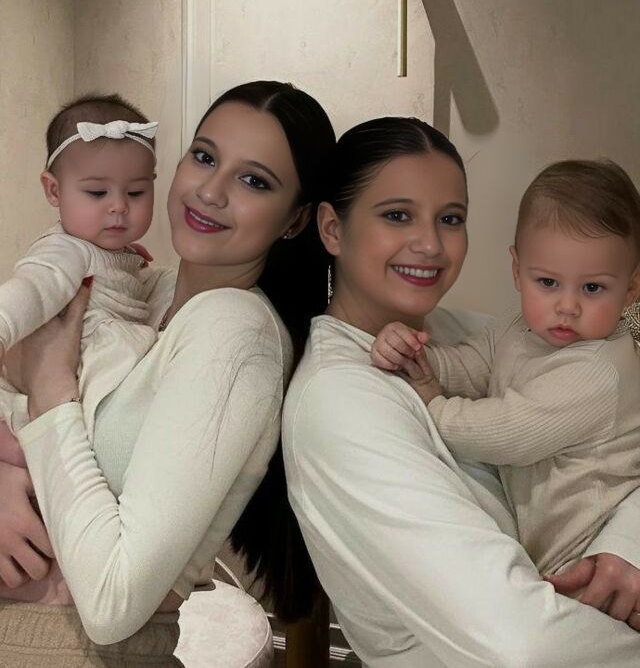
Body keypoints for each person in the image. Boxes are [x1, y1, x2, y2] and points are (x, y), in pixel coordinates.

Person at [283, 117, 640, 668]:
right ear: (332, 229)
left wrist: (627, 545)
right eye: (397, 215)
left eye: (450, 219)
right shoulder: (338, 402)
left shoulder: (473, 330)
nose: (430, 244)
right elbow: (523, 645)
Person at [0, 81, 334, 666]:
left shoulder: (234, 330)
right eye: (204, 157)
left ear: (295, 219)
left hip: (62, 646)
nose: (210, 191)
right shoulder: (143, 293)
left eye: (254, 181)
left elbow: (112, 604)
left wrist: (51, 388)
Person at [371, 159, 640, 577]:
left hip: (590, 553)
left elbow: (506, 432)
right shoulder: (518, 329)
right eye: (547, 283)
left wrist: (434, 403)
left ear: (631, 290)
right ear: (518, 271)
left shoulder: (598, 372)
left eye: (593, 288)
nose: (567, 306)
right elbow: (471, 365)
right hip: (548, 549)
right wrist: (415, 356)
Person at [0, 94, 158, 441]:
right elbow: (34, 288)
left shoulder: (101, 246)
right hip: (78, 363)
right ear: (54, 191)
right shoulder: (64, 251)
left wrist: (127, 256)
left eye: (135, 193)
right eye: (97, 192)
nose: (119, 206)